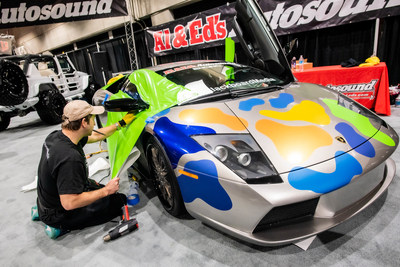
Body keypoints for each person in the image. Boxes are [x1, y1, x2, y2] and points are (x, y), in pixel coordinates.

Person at [35, 100, 135, 239]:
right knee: (118, 200)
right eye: (93, 119)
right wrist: (107, 190)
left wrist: (121, 123)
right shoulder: (70, 159)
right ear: (84, 122)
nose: (94, 123)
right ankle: (58, 227)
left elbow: (96, 135)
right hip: (59, 213)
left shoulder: (57, 136)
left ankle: (40, 210)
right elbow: (69, 203)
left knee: (99, 190)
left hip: (46, 200)